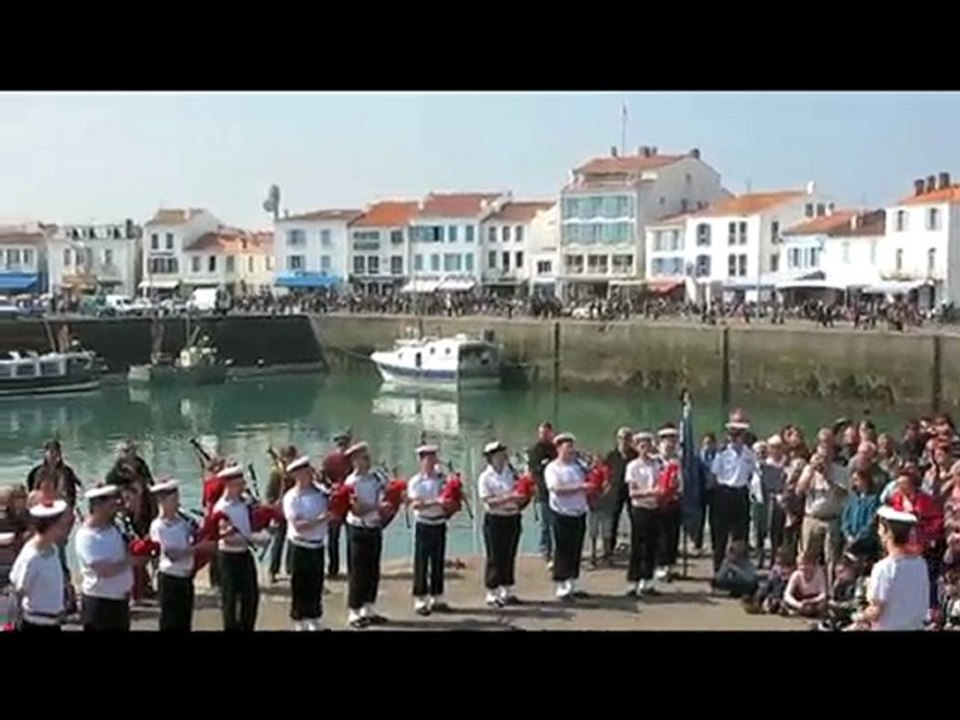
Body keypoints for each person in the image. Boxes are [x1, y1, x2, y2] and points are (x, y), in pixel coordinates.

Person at [851, 506, 929, 631]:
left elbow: (876, 611)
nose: (878, 532)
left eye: (881, 528)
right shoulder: (921, 564)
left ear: (888, 533)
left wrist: (860, 617)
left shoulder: (884, 568)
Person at [149, 480, 210, 631]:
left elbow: (193, 537)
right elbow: (171, 554)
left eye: (176, 498)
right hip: (170, 578)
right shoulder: (159, 526)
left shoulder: (183, 522)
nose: (177, 503)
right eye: (172, 500)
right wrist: (196, 548)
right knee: (170, 622)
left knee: (184, 622)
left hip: (185, 577)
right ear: (161, 501)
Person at [75, 485, 134, 631]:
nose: (114, 507)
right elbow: (102, 570)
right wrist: (130, 561)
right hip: (99, 603)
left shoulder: (116, 527)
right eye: (110, 504)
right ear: (97, 506)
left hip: (120, 601)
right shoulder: (86, 536)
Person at [8, 499, 73, 631]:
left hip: (54, 622)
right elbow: (19, 589)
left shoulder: (52, 549)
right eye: (62, 523)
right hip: (36, 623)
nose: (66, 527)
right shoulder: (32, 557)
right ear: (52, 525)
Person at [344, 441, 389, 629]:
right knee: (358, 571)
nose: (367, 461)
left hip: (374, 527)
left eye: (368, 457)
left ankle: (369, 607)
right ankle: (354, 610)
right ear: (354, 461)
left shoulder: (376, 477)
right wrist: (377, 507)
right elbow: (356, 510)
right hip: (359, 529)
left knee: (373, 570)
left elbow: (387, 493)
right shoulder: (351, 483)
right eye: (363, 458)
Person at [282, 455, 330, 631]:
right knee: (300, 584)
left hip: (317, 543)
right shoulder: (292, 497)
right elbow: (298, 525)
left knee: (316, 583)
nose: (309, 474)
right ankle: (299, 620)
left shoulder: (321, 493)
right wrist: (320, 520)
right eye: (304, 472)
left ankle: (314, 617)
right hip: (300, 545)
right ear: (296, 475)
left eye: (309, 470)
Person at [214, 465, 260, 632]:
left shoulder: (245, 502)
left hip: (244, 555)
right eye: (239, 483)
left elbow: (253, 522)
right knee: (230, 600)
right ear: (229, 484)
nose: (243, 486)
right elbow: (224, 537)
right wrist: (250, 540)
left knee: (251, 597)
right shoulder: (222, 508)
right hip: (228, 557)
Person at [709, 410, 757, 573]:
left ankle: (739, 572)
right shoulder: (722, 453)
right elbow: (714, 476)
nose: (736, 438)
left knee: (740, 536)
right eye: (733, 434)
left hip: (741, 494)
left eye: (740, 434)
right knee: (720, 536)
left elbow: (753, 475)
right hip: (724, 493)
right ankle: (718, 571)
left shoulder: (750, 454)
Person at [407, 444, 451, 616]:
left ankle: (437, 595)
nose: (432, 461)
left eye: (434, 457)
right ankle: (420, 597)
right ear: (421, 460)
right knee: (421, 562)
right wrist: (436, 502)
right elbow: (415, 504)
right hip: (424, 523)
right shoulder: (416, 481)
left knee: (438, 561)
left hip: (439, 522)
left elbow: (450, 497)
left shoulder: (442, 479)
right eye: (428, 458)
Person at [477, 440, 523, 608]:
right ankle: (492, 591)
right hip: (495, 518)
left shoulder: (511, 472)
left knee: (509, 553)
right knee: (495, 555)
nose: (503, 457)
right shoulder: (485, 477)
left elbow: (521, 488)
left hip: (512, 516)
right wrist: (509, 498)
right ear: (491, 457)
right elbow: (488, 501)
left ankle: (507, 589)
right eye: (499, 454)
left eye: (503, 453)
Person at [544, 433, 589, 601]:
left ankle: (572, 583)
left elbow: (588, 481)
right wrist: (579, 487)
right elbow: (555, 489)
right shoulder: (552, 468)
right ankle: (561, 585)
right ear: (559, 449)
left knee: (576, 549)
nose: (571, 450)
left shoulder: (577, 466)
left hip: (579, 512)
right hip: (562, 513)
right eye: (567, 447)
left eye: (572, 447)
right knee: (562, 549)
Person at [796, 443, 847, 585]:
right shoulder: (809, 470)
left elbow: (842, 493)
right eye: (819, 457)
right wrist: (811, 472)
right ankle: (805, 586)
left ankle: (829, 587)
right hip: (811, 518)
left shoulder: (841, 471)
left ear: (832, 456)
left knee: (831, 557)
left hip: (831, 519)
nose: (822, 460)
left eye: (825, 457)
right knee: (806, 555)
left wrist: (827, 477)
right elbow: (799, 491)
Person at [623, 431, 660, 597]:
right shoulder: (633, 466)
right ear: (637, 448)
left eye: (648, 445)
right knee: (638, 545)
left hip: (654, 507)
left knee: (651, 546)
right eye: (642, 446)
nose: (645, 449)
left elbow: (662, 484)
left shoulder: (656, 465)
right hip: (639, 508)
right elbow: (633, 492)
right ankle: (634, 581)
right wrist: (651, 492)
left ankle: (647, 581)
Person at [321, 431, 353, 578]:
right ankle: (344, 567)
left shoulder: (330, 459)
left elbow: (322, 478)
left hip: (341, 500)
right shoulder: (347, 459)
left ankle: (336, 568)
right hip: (342, 500)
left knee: (338, 537)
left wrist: (331, 486)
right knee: (343, 536)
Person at [265, 444, 298, 584]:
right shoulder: (276, 473)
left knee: (292, 541)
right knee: (278, 541)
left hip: (293, 509)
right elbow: (270, 494)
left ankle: (290, 568)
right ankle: (273, 570)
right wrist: (273, 506)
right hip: (280, 510)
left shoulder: (294, 472)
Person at [604, 426, 637, 564]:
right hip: (615, 492)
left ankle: (636, 548)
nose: (624, 441)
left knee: (635, 519)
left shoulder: (635, 456)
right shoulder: (611, 456)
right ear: (617, 439)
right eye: (621, 438)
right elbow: (605, 473)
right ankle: (609, 550)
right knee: (613, 520)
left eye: (627, 438)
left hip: (631, 491)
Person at [655, 424, 682, 581]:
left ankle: (670, 565)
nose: (670, 445)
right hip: (660, 501)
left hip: (675, 500)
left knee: (673, 535)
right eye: (667, 442)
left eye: (673, 441)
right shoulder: (656, 461)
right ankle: (660, 565)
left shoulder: (677, 461)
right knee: (661, 536)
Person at [528, 422, 558, 567]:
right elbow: (533, 470)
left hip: (557, 492)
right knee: (545, 524)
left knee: (556, 524)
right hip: (543, 491)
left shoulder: (556, 449)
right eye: (541, 433)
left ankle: (557, 550)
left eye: (546, 433)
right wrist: (543, 466)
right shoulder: (535, 451)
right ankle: (545, 550)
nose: (544, 436)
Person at [841, 469, 880, 561]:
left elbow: (871, 521)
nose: (854, 483)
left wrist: (858, 537)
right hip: (850, 539)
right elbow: (845, 517)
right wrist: (848, 534)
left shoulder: (874, 499)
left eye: (857, 480)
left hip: (865, 542)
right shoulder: (852, 498)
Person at [782, 551, 828, 618]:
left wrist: (811, 601)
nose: (803, 567)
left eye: (806, 564)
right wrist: (797, 604)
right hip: (800, 601)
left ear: (813, 565)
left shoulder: (819, 574)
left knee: (823, 604)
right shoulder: (796, 575)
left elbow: (823, 594)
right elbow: (787, 594)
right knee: (784, 603)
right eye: (801, 565)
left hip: (814, 601)